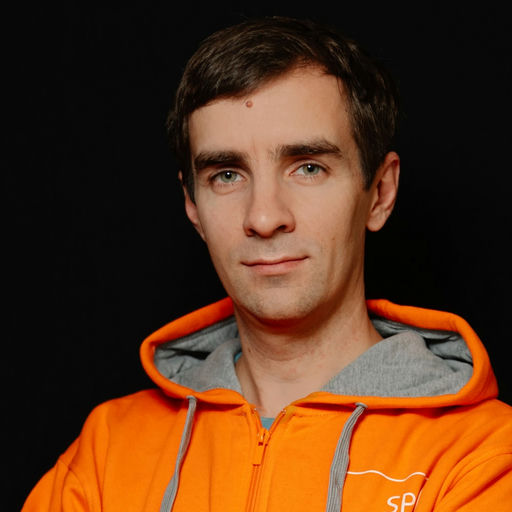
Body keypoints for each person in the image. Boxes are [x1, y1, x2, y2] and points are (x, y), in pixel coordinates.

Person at [23, 16, 512, 512]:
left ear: (380, 193)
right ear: (192, 206)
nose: (263, 217)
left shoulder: (483, 456)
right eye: (227, 175)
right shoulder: (106, 454)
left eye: (308, 168)